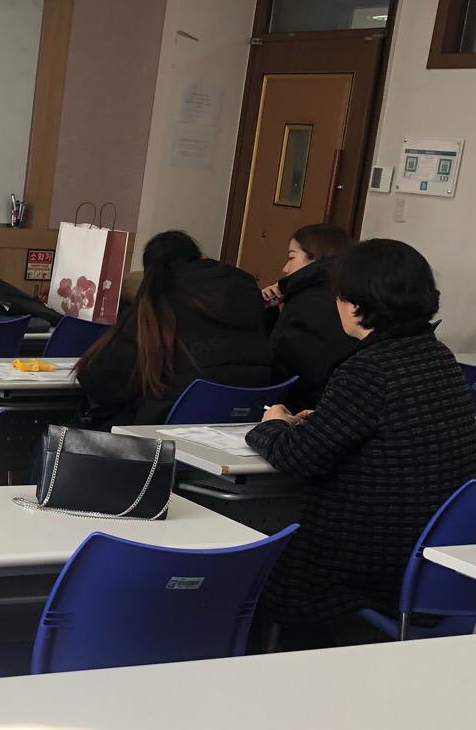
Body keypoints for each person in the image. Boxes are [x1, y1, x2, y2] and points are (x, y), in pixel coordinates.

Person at [246, 239, 476, 651]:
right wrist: (329, 420)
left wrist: (272, 423)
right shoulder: (436, 356)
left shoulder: (370, 369)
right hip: (432, 546)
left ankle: (286, 665)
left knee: (260, 569)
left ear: (356, 304)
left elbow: (297, 456)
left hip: (373, 552)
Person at [74, 230, 271, 428]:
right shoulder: (245, 300)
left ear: (149, 274)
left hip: (166, 432)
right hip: (245, 427)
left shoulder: (156, 310)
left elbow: (99, 381)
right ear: (200, 259)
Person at [261, 222, 358, 410]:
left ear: (316, 257)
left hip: (303, 408)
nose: (285, 268)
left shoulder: (309, 300)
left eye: (291, 257)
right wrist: (270, 311)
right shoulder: (350, 293)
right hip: (338, 401)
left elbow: (279, 365)